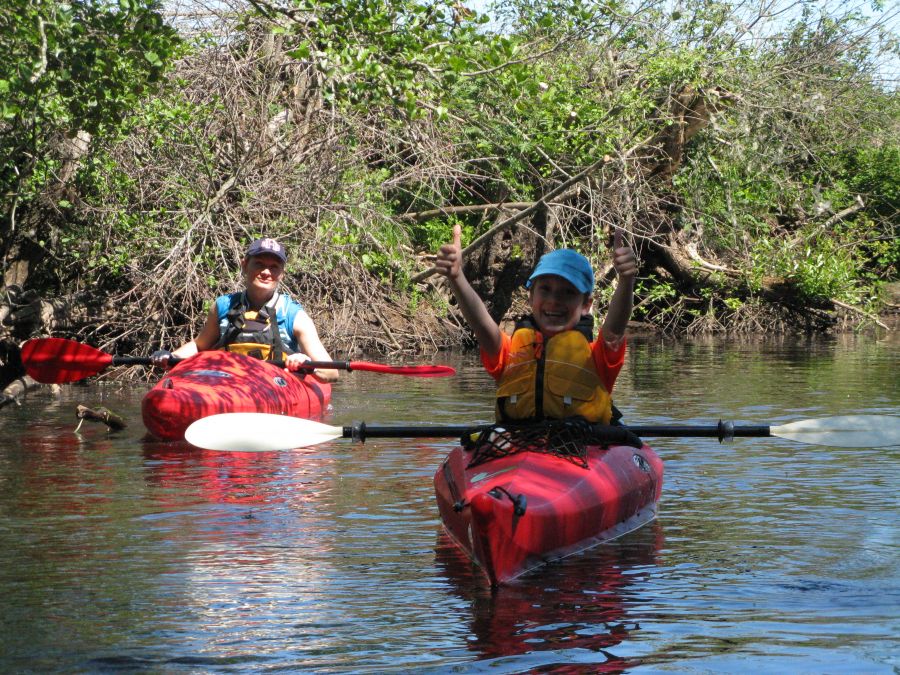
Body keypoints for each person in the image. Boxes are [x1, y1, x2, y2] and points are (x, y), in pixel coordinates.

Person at [434, 225, 638, 424]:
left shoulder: (599, 357)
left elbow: (615, 327)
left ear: (586, 305)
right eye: (545, 289)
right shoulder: (510, 352)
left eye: (568, 292)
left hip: (583, 449)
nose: (554, 300)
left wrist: (626, 279)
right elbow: (481, 324)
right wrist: (457, 277)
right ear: (530, 298)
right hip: (518, 450)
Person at [151, 237, 339, 382]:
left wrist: (306, 364)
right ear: (244, 265)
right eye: (259, 264)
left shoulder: (294, 315)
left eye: (274, 267)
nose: (266, 272)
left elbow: (331, 372)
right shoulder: (223, 306)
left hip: (275, 386)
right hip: (229, 383)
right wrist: (172, 356)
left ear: (281, 274)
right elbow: (200, 346)